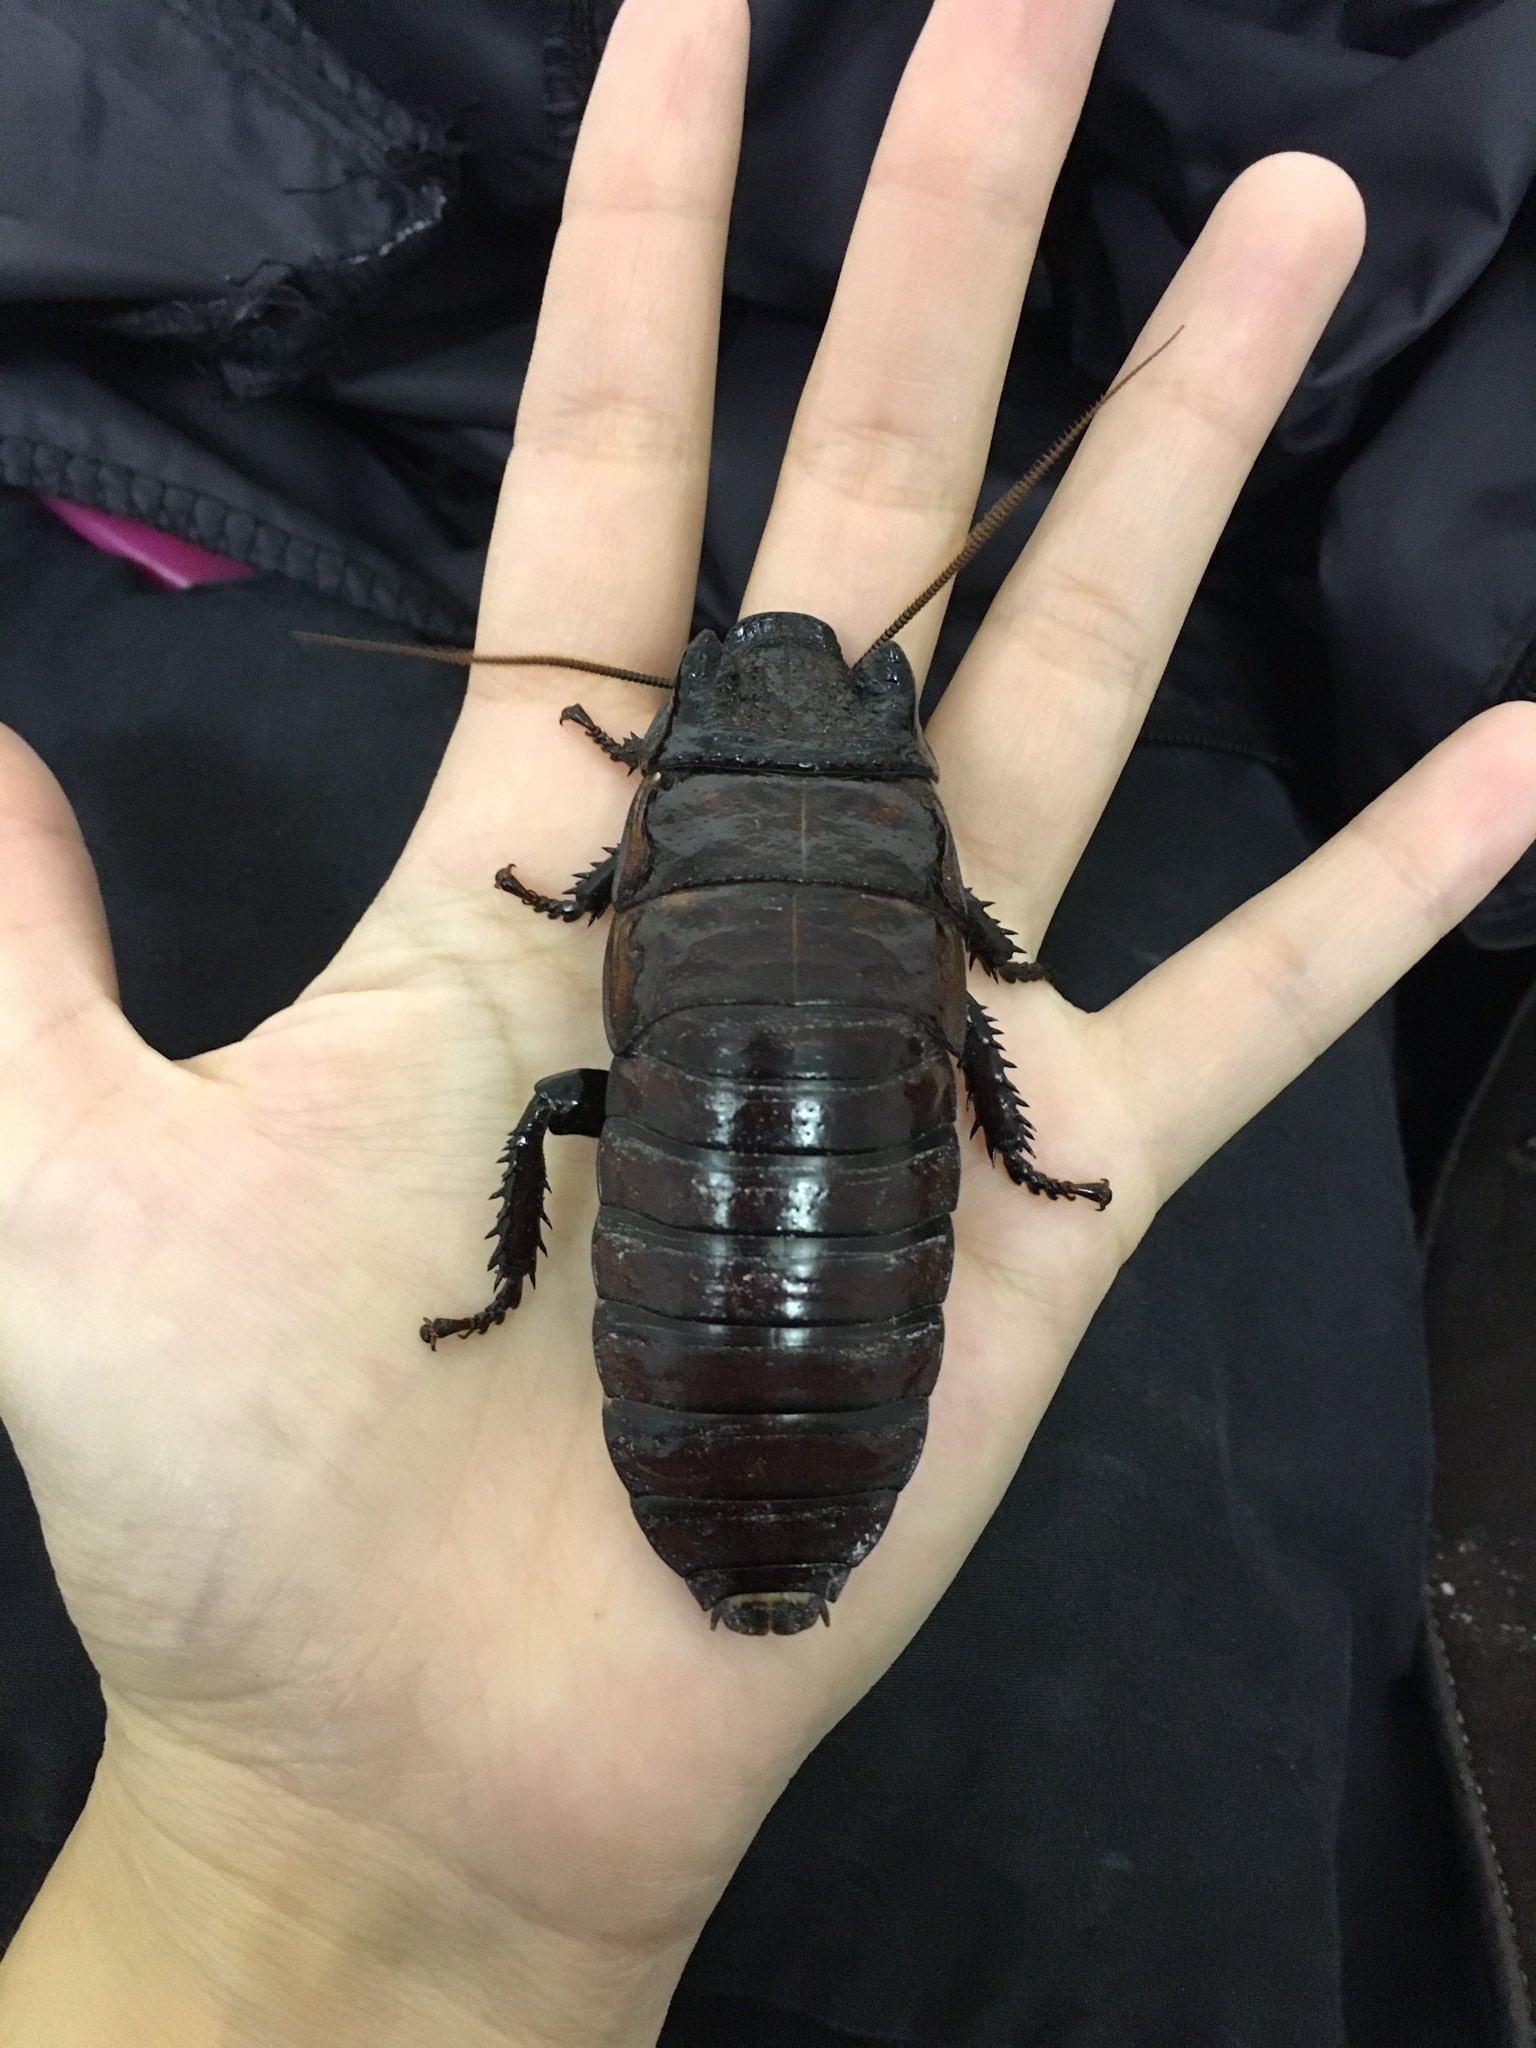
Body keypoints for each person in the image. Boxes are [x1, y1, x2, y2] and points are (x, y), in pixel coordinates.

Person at [0, 0, 1531, 2041]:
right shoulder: (906, 873)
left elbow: (714, 929)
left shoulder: (660, 840)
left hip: (761, 1272)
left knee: (577, 1095)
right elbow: (966, 975)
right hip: (828, 1282)